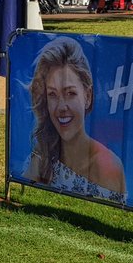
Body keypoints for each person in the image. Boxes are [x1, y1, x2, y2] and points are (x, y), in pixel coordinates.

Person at [23, 37, 126, 203]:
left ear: (88, 96)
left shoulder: (107, 167)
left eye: (70, 93)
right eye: (52, 94)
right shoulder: (41, 156)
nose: (61, 106)